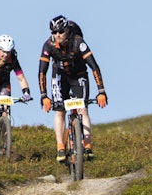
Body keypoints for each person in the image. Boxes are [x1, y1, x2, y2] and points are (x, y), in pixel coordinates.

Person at [38, 15, 107, 163]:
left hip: (78, 74)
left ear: (67, 31)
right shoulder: (48, 45)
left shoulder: (78, 42)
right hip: (59, 76)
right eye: (54, 32)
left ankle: (87, 146)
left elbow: (94, 66)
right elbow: (42, 71)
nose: (57, 35)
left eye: (61, 32)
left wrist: (101, 91)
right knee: (60, 111)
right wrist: (44, 95)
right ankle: (60, 147)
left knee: (83, 109)